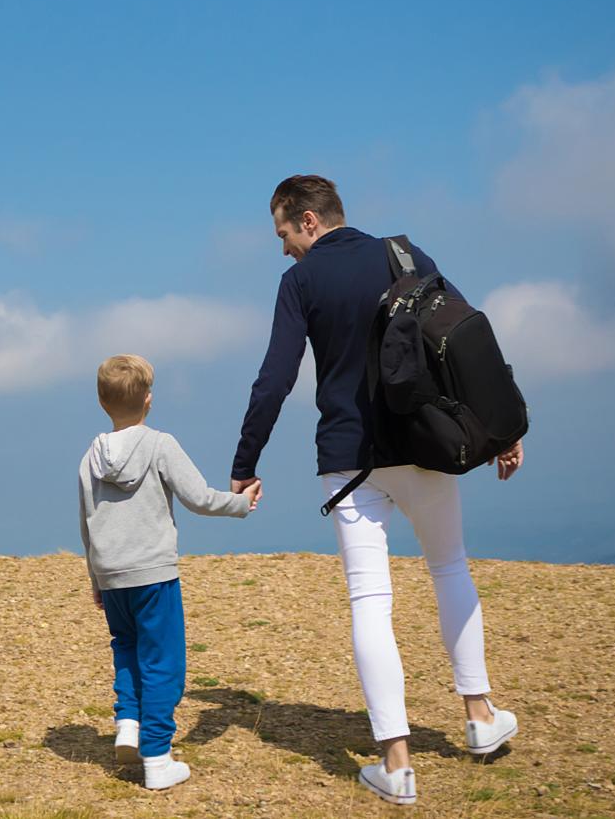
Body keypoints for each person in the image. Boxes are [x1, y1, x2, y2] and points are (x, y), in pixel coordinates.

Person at [230, 175, 524, 807]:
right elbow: (468, 345)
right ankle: (479, 718)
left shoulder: (301, 283)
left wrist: (245, 461)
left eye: (283, 232)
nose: (282, 248)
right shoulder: (407, 257)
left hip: (349, 460)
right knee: (449, 568)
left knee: (370, 598)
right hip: (426, 445)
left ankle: (396, 765)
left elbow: (274, 380)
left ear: (308, 221)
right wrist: (500, 430)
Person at [78, 353, 262, 791]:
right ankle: (157, 758)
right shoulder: (160, 444)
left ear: (103, 402)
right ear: (148, 400)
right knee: (163, 662)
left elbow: (85, 521)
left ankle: (128, 723)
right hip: (153, 574)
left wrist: (95, 578)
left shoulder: (91, 456)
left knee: (126, 647)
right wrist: (241, 503)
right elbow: (198, 497)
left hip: (111, 572)